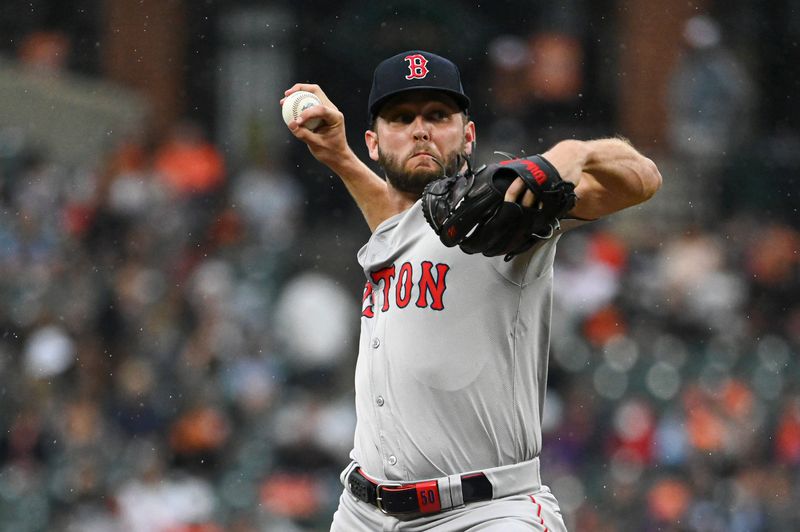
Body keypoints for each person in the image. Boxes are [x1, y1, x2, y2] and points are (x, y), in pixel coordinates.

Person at [282, 50, 661, 531]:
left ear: (469, 135)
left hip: (485, 512)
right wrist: (337, 155)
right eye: (402, 118)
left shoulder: (513, 206)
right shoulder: (398, 227)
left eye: (438, 115)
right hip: (363, 513)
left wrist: (571, 154)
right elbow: (405, 225)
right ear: (374, 143)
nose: (421, 129)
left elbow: (644, 180)